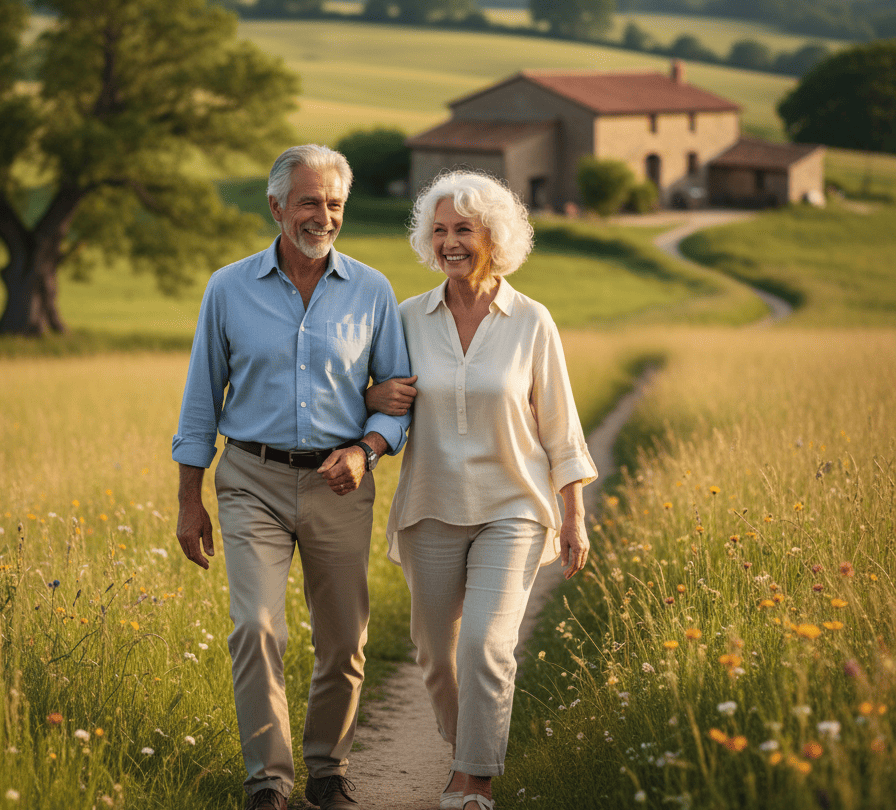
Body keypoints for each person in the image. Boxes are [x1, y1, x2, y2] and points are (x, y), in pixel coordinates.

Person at [173, 145, 412, 810]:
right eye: (310, 201)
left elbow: (397, 398)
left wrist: (366, 448)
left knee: (343, 637)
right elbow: (200, 403)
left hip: (341, 482)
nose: (324, 215)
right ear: (276, 206)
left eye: (334, 202)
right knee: (254, 625)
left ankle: (328, 768)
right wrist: (189, 502)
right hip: (251, 476)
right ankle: (268, 780)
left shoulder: (371, 290)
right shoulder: (227, 288)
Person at [366, 171, 597, 810]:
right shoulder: (407, 318)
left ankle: (474, 780)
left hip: (515, 508)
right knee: (435, 652)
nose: (449, 242)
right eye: (438, 231)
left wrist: (572, 516)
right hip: (430, 505)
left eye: (463, 229)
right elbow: (376, 399)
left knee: (486, 645)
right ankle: (466, 743)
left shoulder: (531, 321)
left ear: (493, 237)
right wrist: (372, 397)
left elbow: (561, 423)